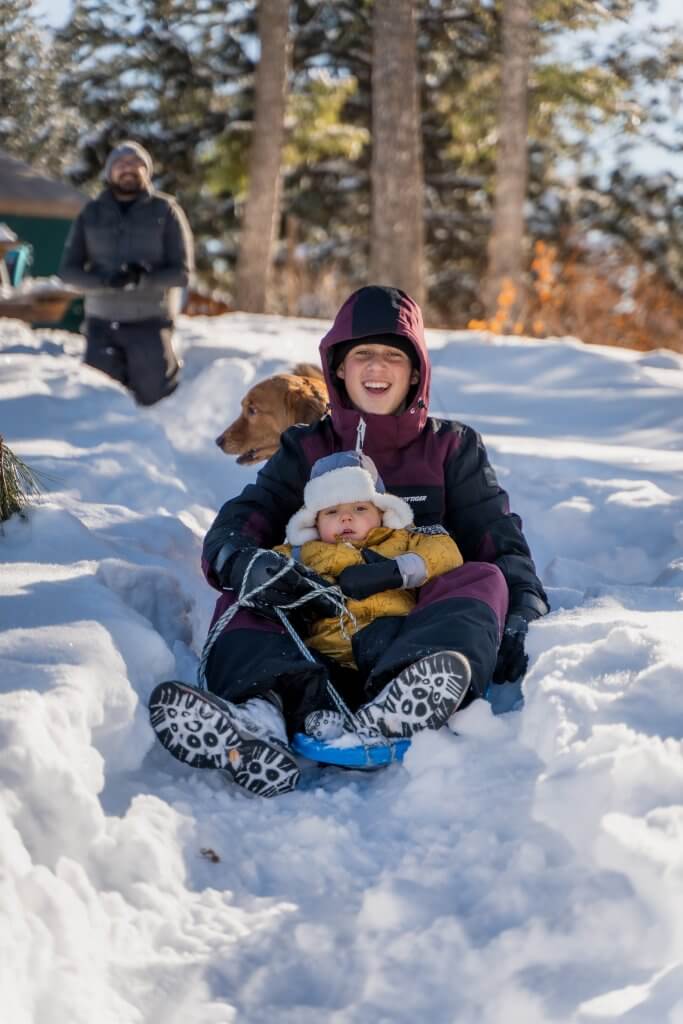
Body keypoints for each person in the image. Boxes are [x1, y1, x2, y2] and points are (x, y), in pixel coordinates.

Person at [149, 284, 549, 798]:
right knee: (243, 591)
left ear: (416, 371)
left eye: (392, 356)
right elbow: (249, 516)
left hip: (413, 635)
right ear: (339, 367)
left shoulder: (451, 448)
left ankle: (403, 700)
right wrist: (238, 557)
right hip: (314, 634)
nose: (377, 368)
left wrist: (525, 608)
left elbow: (498, 539)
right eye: (363, 354)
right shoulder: (307, 445)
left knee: (483, 577)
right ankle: (259, 716)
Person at [270, 448, 465, 738]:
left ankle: (395, 703)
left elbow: (446, 552)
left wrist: (395, 571)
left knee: (394, 640)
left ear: (381, 512)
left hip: (387, 643)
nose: (346, 519)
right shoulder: (302, 553)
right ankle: (317, 717)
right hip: (330, 652)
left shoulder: (400, 540)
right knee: (301, 667)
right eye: (332, 512)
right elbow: (267, 568)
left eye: (359, 509)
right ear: (315, 522)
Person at [59, 140, 194, 406]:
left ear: (148, 171)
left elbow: (182, 273)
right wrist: (104, 281)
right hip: (101, 326)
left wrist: (144, 278)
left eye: (136, 164)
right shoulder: (91, 213)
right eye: (121, 164)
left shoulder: (166, 210)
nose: (128, 169)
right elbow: (68, 271)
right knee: (97, 403)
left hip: (149, 323)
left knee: (157, 400)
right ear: (109, 173)